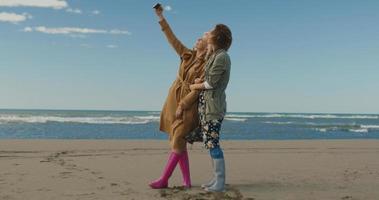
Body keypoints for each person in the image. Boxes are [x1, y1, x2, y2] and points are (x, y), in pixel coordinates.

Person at [149, 5, 208, 189]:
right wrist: (160, 17)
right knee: (178, 141)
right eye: (198, 38)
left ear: (208, 46)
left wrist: (183, 104)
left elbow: (197, 90)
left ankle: (164, 179)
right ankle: (187, 181)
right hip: (173, 99)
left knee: (178, 139)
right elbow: (171, 39)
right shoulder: (187, 54)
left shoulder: (207, 64)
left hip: (188, 106)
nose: (198, 39)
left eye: (202, 39)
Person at [189, 24, 232, 192]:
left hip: (213, 107)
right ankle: (215, 179)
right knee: (209, 144)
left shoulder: (222, 57)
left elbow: (211, 83)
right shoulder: (214, 55)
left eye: (211, 32)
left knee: (213, 144)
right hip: (206, 106)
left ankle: (220, 182)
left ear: (217, 38)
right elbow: (208, 77)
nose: (208, 33)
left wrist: (195, 86)